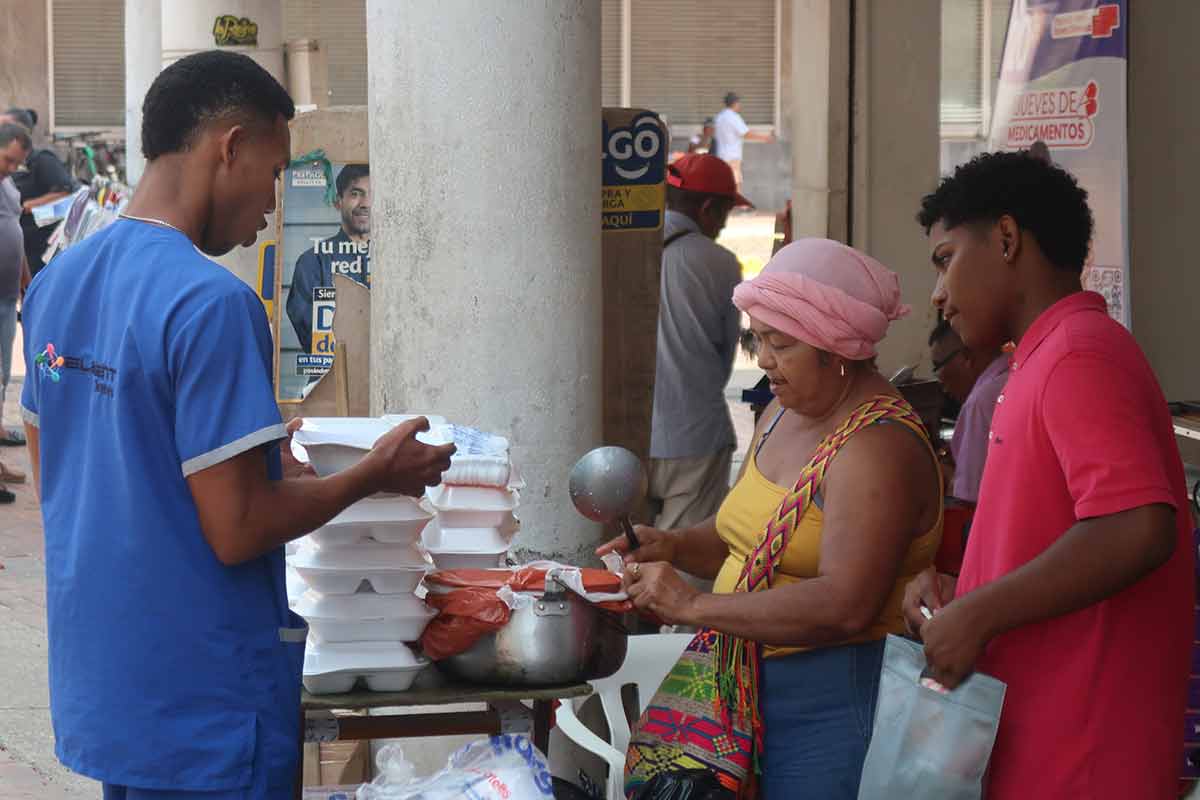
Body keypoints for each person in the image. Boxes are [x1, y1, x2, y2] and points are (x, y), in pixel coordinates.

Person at [19, 51, 455, 799]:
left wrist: (253, 459)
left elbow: (65, 464)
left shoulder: (60, 281)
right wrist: (370, 475)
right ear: (229, 147)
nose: (270, 205)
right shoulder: (209, 303)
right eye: (275, 171)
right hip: (204, 701)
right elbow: (238, 527)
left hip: (112, 687)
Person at [605, 238, 943, 798]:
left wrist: (693, 605)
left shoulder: (877, 447)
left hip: (834, 700)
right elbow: (742, 537)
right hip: (750, 687)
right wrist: (671, 545)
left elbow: (845, 606)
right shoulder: (785, 411)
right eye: (756, 339)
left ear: (835, 349)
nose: (763, 361)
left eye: (779, 345)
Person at [903, 151, 1192, 799]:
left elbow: (1137, 527)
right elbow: (1057, 539)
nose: (938, 294)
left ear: (1006, 239)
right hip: (1039, 746)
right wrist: (962, 586)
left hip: (1083, 757)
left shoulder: (1076, 355)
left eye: (946, 258)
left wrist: (978, 614)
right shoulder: (1038, 362)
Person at [648, 154, 748, 538]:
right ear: (709, 208)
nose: (722, 226)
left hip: (624, 438)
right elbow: (724, 362)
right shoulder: (720, 263)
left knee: (621, 561)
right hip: (695, 437)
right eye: (724, 214)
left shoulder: (618, 249)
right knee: (681, 563)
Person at [285, 163, 370, 352]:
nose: (365, 203)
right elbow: (310, 334)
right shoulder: (312, 261)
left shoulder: (395, 264)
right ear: (338, 201)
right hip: (331, 377)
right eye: (355, 194)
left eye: (371, 194)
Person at [927, 318, 1007, 504]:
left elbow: (971, 495)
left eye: (937, 366)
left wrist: (945, 474)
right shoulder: (1017, 372)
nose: (940, 380)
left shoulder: (981, 402)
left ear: (966, 358)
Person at [0, 109, 75, 278]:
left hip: (37, 247)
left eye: (5, 125)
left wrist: (31, 205)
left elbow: (66, 189)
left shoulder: (42, 160)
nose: (12, 168)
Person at [0, 122, 32, 499]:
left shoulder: (8, 186)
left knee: (3, 377)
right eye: (8, 160)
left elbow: (15, 232)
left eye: (16, 163)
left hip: (7, 295)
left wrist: (26, 281)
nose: (11, 168)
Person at [712, 92, 772, 196]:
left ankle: (724, 207)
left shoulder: (719, 117)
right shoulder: (733, 117)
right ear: (735, 103)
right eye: (739, 103)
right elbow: (745, 133)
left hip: (721, 155)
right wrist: (765, 138)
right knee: (736, 182)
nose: (740, 105)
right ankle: (736, 207)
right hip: (732, 156)